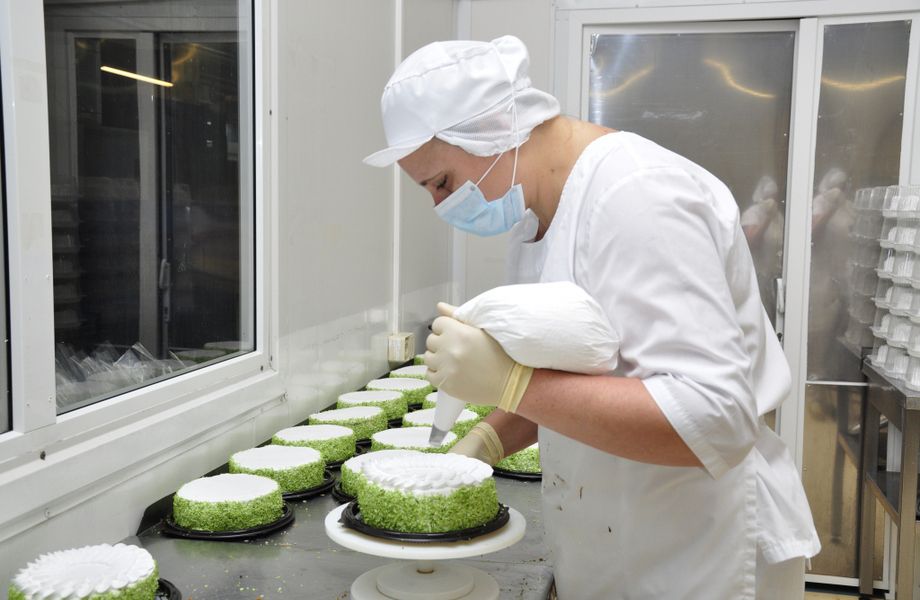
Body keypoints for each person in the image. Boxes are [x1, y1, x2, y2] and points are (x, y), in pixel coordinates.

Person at [364, 35, 820, 599]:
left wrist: (514, 383)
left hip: (698, 549)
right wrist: (487, 438)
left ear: (491, 129)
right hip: (619, 535)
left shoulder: (636, 196)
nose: (441, 205)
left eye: (441, 182)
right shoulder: (535, 220)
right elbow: (581, 378)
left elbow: (716, 419)